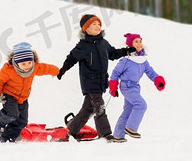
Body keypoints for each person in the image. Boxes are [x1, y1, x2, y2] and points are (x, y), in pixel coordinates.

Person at [57, 14, 136, 142]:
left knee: (88, 109)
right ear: (86, 28)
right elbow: (72, 58)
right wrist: (63, 69)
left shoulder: (103, 43)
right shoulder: (83, 45)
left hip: (101, 82)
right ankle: (105, 134)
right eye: (94, 24)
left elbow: (113, 54)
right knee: (99, 107)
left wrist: (126, 51)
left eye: (99, 24)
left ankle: (72, 129)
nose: (98, 26)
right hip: (89, 82)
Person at [0, 42, 59, 143]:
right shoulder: (8, 69)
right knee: (12, 114)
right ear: (17, 63)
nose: (27, 66)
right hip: (9, 96)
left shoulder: (34, 67)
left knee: (22, 121)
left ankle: (8, 136)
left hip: (23, 98)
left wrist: (56, 71)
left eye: (29, 63)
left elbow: (46, 68)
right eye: (23, 64)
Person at [108, 33, 166, 142]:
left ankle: (118, 135)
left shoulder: (143, 60)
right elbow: (115, 73)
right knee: (141, 104)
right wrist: (113, 86)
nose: (139, 44)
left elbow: (151, 72)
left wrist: (158, 80)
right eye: (136, 42)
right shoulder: (126, 60)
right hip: (126, 86)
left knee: (128, 111)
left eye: (140, 41)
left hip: (135, 87)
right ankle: (131, 128)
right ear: (130, 45)